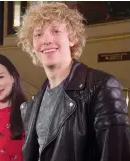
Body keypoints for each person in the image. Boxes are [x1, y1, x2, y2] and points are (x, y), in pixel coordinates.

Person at [16, 2, 130, 161]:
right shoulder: (35, 102)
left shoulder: (102, 86)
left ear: (72, 38)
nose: (47, 40)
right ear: (32, 45)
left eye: (55, 31)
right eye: (38, 34)